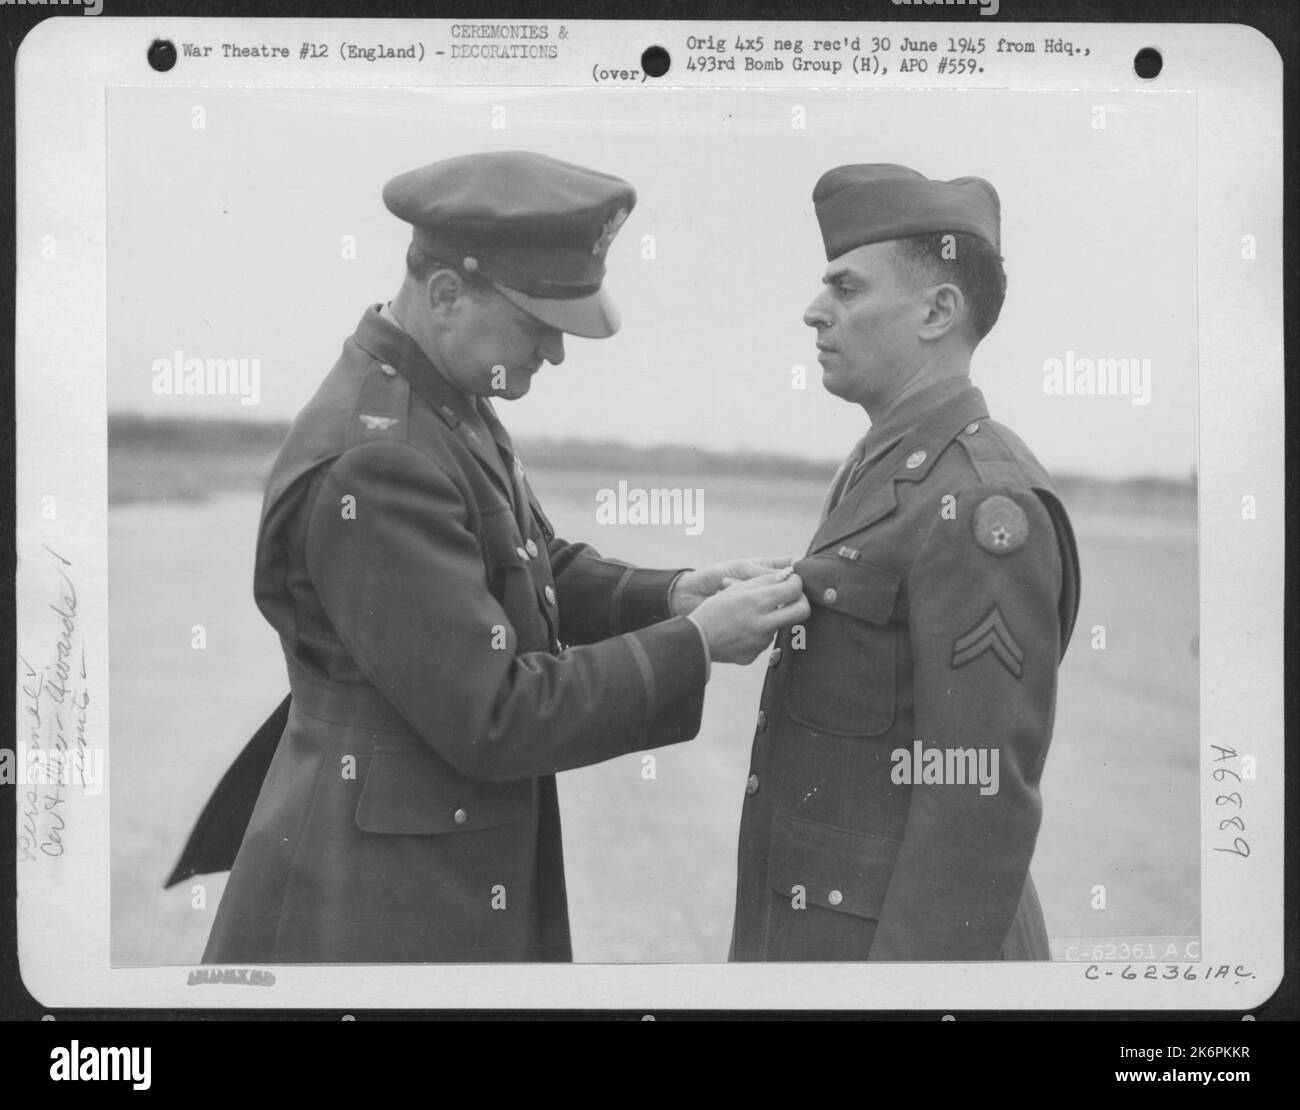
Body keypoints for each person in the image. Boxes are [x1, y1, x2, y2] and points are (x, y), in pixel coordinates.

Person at [198, 151, 808, 963]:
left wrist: (673, 597)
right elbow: (494, 714)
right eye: (537, 325)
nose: (553, 354)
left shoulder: (443, 397)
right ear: (447, 294)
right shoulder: (381, 457)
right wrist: (695, 647)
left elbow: (528, 557)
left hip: (427, 856)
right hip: (381, 896)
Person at [729, 163, 1081, 962]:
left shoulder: (984, 503)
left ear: (937, 310)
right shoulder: (887, 463)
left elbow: (976, 803)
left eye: (847, 290)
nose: (814, 312)